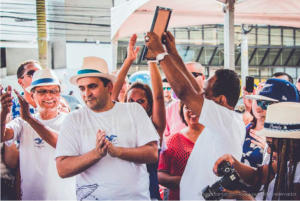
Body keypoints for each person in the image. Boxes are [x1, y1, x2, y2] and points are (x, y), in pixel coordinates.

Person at [145, 31, 245, 200]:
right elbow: (194, 89)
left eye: (206, 95)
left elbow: (185, 92)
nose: (200, 98)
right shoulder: (224, 119)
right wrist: (173, 53)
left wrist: (161, 54)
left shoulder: (224, 119)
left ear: (221, 99)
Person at [55, 56, 159, 200]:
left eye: (92, 86)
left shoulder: (134, 110)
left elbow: (152, 153)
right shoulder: (73, 120)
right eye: (82, 88)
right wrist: (96, 154)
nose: (86, 94)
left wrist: (118, 151)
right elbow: (62, 169)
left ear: (109, 87)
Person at [0, 69, 76, 200]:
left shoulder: (71, 121)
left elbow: (62, 144)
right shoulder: (22, 123)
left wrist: (30, 119)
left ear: (59, 94)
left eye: (53, 91)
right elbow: (3, 135)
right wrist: (3, 113)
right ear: (32, 95)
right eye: (42, 91)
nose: (49, 96)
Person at [213, 102, 300, 200]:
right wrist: (233, 161)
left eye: (272, 146)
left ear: (292, 144)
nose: (269, 151)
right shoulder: (285, 161)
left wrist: (244, 197)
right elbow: (257, 177)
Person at [158, 101, 204, 200]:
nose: (191, 110)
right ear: (182, 111)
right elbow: (160, 175)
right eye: (187, 107)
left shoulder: (215, 137)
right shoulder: (173, 140)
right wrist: (183, 181)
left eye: (196, 106)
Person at [163, 62, 205, 145]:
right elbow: (164, 141)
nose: (187, 79)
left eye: (192, 75)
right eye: (182, 76)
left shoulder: (214, 106)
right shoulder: (170, 110)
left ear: (203, 78)